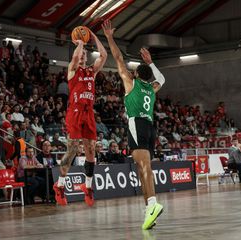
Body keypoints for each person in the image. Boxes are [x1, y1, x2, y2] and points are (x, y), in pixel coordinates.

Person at [103, 20, 165, 230]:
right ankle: (150, 209)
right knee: (142, 168)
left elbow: (118, 58)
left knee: (144, 167)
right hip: (149, 126)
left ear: (137, 75)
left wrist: (110, 37)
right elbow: (162, 79)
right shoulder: (152, 88)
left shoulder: (132, 84)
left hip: (137, 124)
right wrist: (151, 62)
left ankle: (154, 203)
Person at [53, 26, 107, 206]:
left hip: (89, 112)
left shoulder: (91, 71)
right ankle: (60, 186)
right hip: (75, 112)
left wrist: (94, 37)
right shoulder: (72, 70)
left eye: (85, 55)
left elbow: (103, 56)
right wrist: (81, 44)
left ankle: (88, 187)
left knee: (91, 150)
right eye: (82, 54)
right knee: (73, 148)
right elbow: (75, 57)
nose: (83, 56)